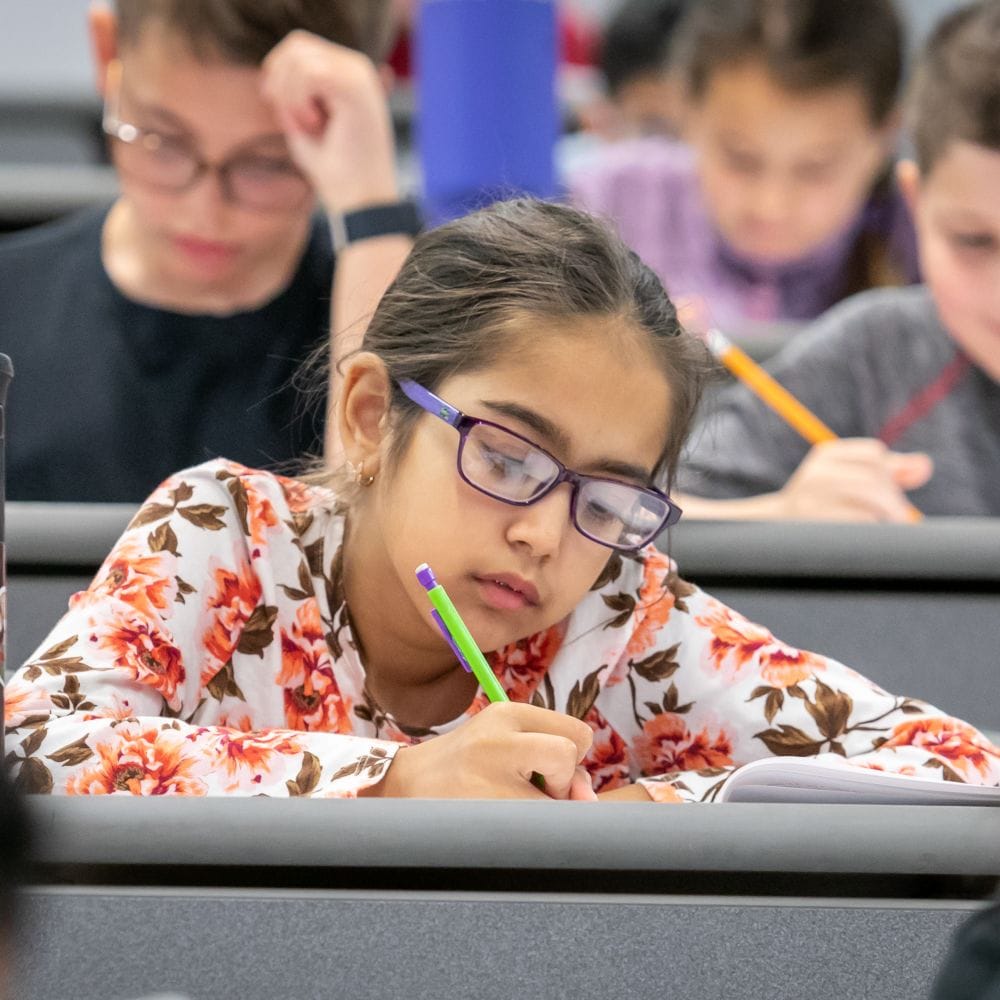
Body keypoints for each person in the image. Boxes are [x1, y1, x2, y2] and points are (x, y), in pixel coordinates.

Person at [4, 199, 998, 801]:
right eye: (510, 457)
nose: (541, 534)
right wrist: (395, 781)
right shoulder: (224, 536)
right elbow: (28, 751)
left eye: (608, 496)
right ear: (368, 416)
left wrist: (668, 805)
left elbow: (960, 765)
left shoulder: (620, 621)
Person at [0, 0, 418, 504]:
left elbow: (381, 551)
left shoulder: (403, 309)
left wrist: (369, 206)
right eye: (164, 141)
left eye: (267, 164)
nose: (205, 213)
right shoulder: (11, 303)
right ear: (107, 52)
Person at [677, 0, 1000, 522]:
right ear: (917, 205)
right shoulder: (876, 358)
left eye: (815, 168)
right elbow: (635, 519)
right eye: (973, 240)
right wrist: (778, 514)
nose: (771, 206)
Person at [570, 0, 919, 332]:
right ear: (686, 108)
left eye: (816, 168)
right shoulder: (596, 205)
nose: (771, 205)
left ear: (884, 138)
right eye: (741, 159)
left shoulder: (933, 238)